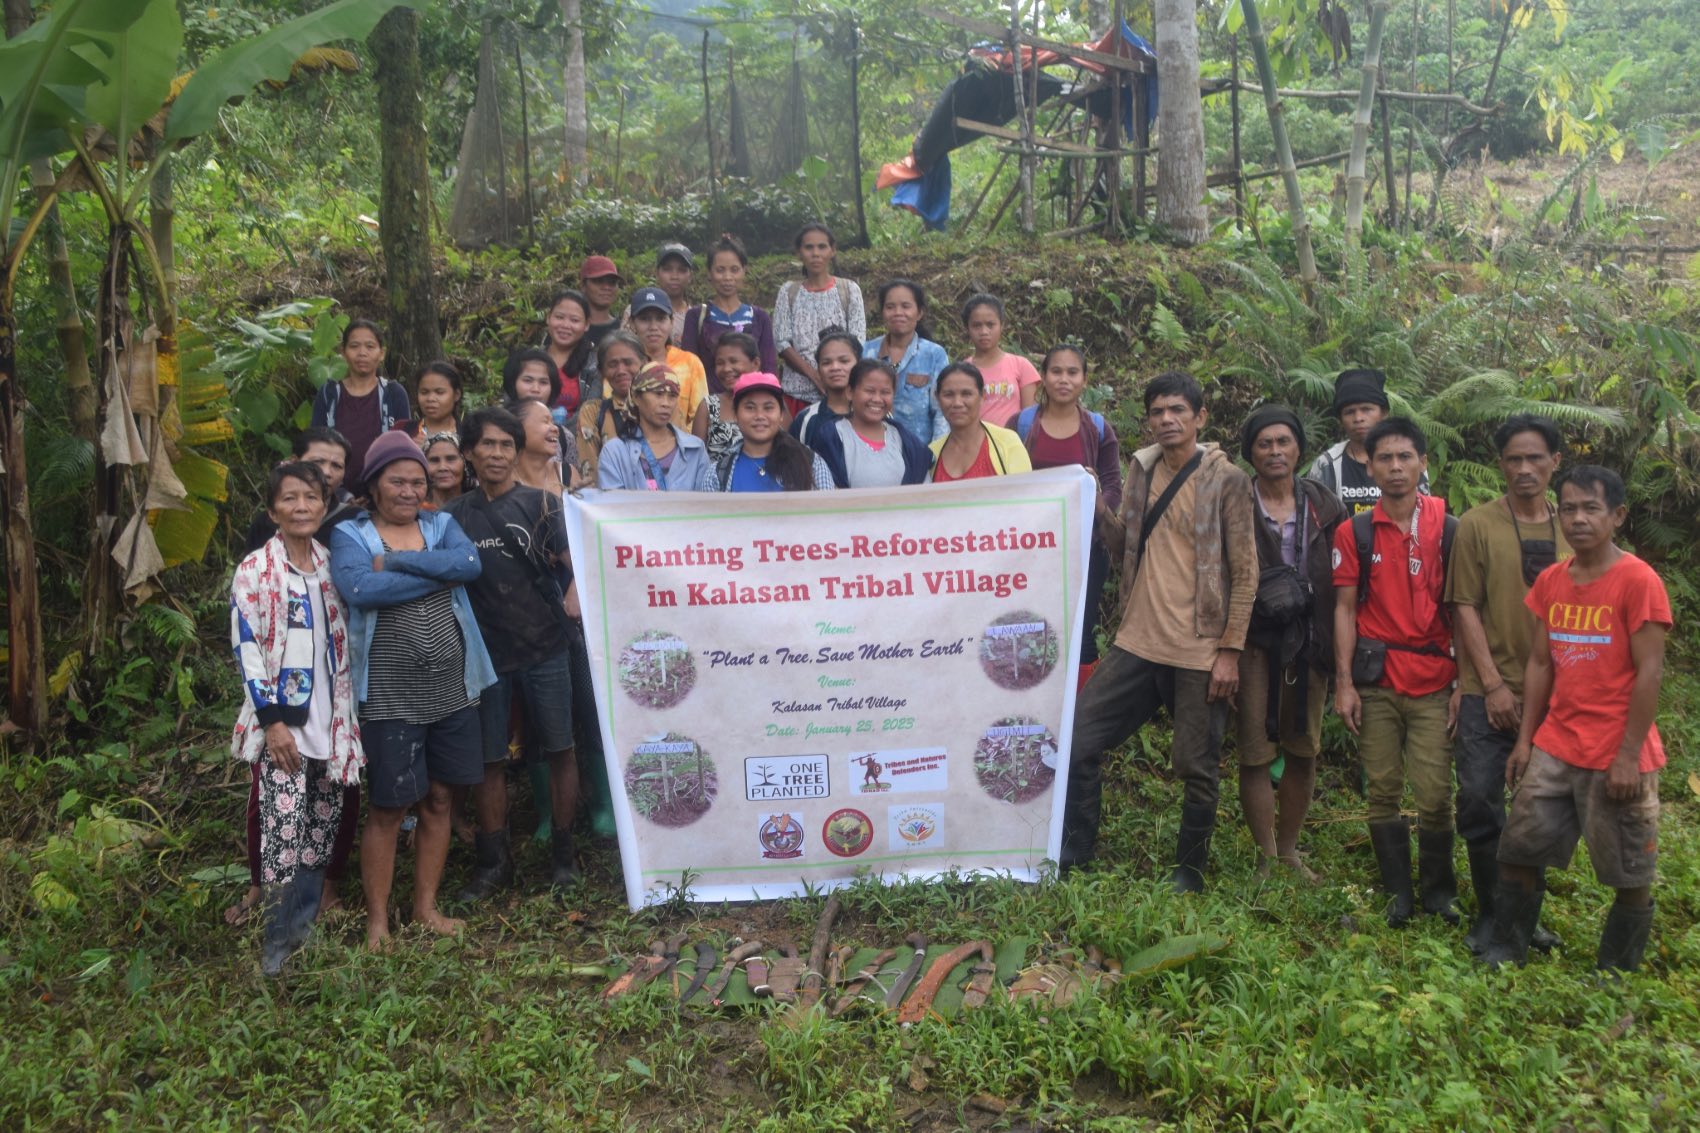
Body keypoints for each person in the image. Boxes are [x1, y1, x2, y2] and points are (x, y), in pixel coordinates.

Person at [1060, 372, 1256, 892]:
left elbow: (1247, 571)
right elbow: (1126, 542)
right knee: (1080, 738)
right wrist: (1096, 504)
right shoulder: (1142, 469)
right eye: (1157, 412)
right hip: (1139, 639)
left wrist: (1230, 652)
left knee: (1196, 765)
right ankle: (1076, 851)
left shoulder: (1227, 480)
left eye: (1177, 411)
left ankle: (1188, 870)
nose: (1167, 420)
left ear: (1200, 418)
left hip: (1199, 647)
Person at [1479, 466, 1670, 972]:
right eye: (1568, 508)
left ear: (1618, 516)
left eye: (1591, 508)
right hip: (1557, 745)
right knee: (1518, 848)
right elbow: (1540, 663)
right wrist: (1525, 742)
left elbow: (1650, 673)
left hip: (1617, 751)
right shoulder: (1553, 580)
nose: (1578, 519)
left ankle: (1616, 972)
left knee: (1629, 871)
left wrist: (1628, 756)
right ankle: (1506, 949)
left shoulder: (1638, 581)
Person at [329, 432, 493, 950]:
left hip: (453, 685)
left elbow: (470, 566)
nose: (408, 490)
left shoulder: (441, 523)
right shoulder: (350, 535)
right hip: (389, 693)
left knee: (441, 799)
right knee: (388, 807)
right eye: (396, 481)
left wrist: (398, 563)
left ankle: (425, 907)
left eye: (417, 481)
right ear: (374, 485)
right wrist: (438, 574)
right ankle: (378, 919)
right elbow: (359, 589)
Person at [229, 461, 363, 976]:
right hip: (286, 726)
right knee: (283, 834)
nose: (301, 506)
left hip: (333, 726)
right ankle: (275, 950)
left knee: (320, 832)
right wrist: (272, 722)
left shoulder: (333, 564)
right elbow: (247, 649)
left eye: (310, 497)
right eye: (289, 498)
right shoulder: (256, 570)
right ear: (272, 510)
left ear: (324, 506)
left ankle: (303, 933)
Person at [445, 407, 585, 897]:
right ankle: (492, 862)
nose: (498, 454)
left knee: (561, 748)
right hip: (485, 656)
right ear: (468, 453)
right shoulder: (452, 518)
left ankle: (564, 858)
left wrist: (573, 595)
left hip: (546, 645)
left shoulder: (543, 505)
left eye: (506, 445)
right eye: (487, 445)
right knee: (489, 761)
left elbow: (576, 568)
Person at [1447, 415, 1570, 954]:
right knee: (1478, 801)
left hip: (1561, 697)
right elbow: (1463, 606)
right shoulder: (1476, 524)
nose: (1524, 469)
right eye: (1513, 459)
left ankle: (1523, 920)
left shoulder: (1577, 526)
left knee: (1538, 813)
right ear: (1500, 464)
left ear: (1555, 463)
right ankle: (1492, 913)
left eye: (1535, 458)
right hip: (1485, 690)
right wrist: (1493, 685)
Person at [1331, 417, 1458, 927]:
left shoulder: (1450, 528)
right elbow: (1343, 609)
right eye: (1385, 458)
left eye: (1406, 457)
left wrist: (1464, 685)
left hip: (1434, 681)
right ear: (1369, 463)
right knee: (1382, 789)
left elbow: (1465, 611)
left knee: (1434, 793)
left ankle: (1439, 894)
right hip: (1377, 680)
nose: (1396, 467)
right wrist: (1344, 684)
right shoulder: (1355, 530)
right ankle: (1397, 895)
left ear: (1424, 462)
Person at [1234, 406, 1345, 881]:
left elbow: (1344, 577)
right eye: (1264, 443)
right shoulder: (1235, 500)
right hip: (1253, 640)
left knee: (1303, 747)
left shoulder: (1324, 503)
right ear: (1251, 453)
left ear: (1299, 448)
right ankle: (1264, 855)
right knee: (1255, 750)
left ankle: (1291, 852)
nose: (1275, 451)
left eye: (1283, 442)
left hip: (1309, 641)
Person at [1011, 345, 1121, 689]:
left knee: (1082, 632)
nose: (1064, 379)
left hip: (1084, 546)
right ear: (1043, 377)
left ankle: (1081, 722)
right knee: (1032, 628)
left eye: (1072, 372)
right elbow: (1007, 481)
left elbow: (1113, 485)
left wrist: (1098, 501)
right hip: (1031, 548)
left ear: (1084, 380)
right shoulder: (1022, 423)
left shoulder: (1098, 429)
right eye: (1056, 371)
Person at [309, 319, 411, 494]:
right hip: (333, 494)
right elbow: (315, 446)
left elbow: (404, 447)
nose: (362, 353)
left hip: (384, 494)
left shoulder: (394, 394)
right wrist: (342, 498)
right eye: (354, 346)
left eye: (370, 346)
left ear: (382, 353)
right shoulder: (329, 394)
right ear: (343, 352)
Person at [773, 222, 866, 412]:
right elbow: (782, 342)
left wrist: (834, 373)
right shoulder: (789, 291)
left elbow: (857, 340)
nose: (816, 253)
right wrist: (814, 376)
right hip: (796, 394)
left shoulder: (849, 290)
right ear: (799, 252)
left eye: (822, 247)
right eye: (809, 247)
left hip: (841, 392)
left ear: (833, 251)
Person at [1306, 367, 1427, 513]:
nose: (1358, 418)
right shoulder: (1327, 465)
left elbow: (1423, 514)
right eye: (1349, 412)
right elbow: (1316, 520)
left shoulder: (1409, 458)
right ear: (1340, 419)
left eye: (1366, 409)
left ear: (1384, 413)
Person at [806, 359, 932, 488]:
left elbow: (924, 489)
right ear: (850, 392)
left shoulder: (906, 442)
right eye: (869, 391)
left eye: (885, 392)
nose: (877, 399)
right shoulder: (831, 437)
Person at [243, 427, 362, 555]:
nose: (327, 472)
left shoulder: (356, 520)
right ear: (295, 461)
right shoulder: (267, 522)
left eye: (337, 466)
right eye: (318, 462)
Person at [596, 363, 715, 492]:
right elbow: (612, 507)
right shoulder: (615, 452)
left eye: (672, 396)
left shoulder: (695, 449)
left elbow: (703, 504)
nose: (666, 403)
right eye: (658, 394)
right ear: (636, 397)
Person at [711, 372, 835, 492]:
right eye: (750, 407)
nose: (759, 416)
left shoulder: (812, 463)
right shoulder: (717, 474)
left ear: (781, 414)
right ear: (735, 414)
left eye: (768, 408)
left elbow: (828, 510)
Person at [863, 280, 948, 443]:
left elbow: (941, 412)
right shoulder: (866, 352)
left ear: (920, 312)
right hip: (873, 450)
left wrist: (935, 456)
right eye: (890, 307)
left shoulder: (934, 354)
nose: (897, 312)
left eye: (906, 306)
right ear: (882, 312)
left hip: (920, 453)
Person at [681, 233, 777, 376]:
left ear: (744, 271)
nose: (727, 277)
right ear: (709, 273)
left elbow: (769, 370)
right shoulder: (696, 317)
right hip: (709, 398)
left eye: (734, 270)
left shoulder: (760, 318)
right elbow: (689, 369)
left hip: (750, 397)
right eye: (720, 270)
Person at [927, 362, 1032, 482]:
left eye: (966, 394)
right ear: (937, 398)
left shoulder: (1007, 443)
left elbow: (1025, 494)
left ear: (982, 396)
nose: (957, 403)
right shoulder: (932, 453)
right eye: (948, 395)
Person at [629, 286, 710, 439]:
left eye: (661, 318)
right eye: (644, 319)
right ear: (632, 323)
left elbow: (700, 416)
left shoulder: (690, 363)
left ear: (672, 322)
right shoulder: (624, 364)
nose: (653, 327)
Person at [961, 294, 1039, 428]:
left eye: (990, 325)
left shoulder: (1021, 366)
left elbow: (1030, 420)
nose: (984, 331)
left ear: (1001, 325)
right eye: (976, 325)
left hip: (1013, 444)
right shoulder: (963, 371)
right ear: (967, 328)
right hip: (977, 445)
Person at [574, 330, 641, 486]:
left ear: (644, 363)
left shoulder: (664, 408)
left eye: (628, 363)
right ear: (602, 371)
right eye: (612, 364)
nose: (621, 371)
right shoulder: (593, 412)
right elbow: (590, 474)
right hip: (610, 505)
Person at [789, 330, 860, 448]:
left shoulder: (872, 413)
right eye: (826, 363)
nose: (835, 367)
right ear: (819, 370)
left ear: (858, 364)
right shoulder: (806, 419)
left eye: (844, 361)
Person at [705, 332, 760, 464]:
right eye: (720, 363)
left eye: (734, 361)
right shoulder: (709, 406)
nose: (726, 369)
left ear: (756, 364)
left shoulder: (772, 404)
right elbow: (695, 461)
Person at [539, 290, 597, 417]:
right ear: (548, 318)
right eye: (559, 317)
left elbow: (591, 414)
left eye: (574, 320)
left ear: (586, 324)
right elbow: (513, 406)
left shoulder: (595, 365)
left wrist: (559, 433)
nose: (565, 325)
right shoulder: (529, 360)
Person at [392, 361, 463, 445]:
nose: (430, 399)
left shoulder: (469, 435)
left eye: (439, 392)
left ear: (456, 395)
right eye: (424, 392)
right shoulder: (402, 430)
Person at [578, 255, 624, 350]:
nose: (606, 287)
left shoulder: (624, 330)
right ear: (583, 285)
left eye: (612, 282)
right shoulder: (569, 328)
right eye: (598, 281)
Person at [423, 432, 467, 510]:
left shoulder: (479, 509)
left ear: (465, 463)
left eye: (450, 459)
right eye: (434, 460)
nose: (442, 467)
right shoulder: (415, 512)